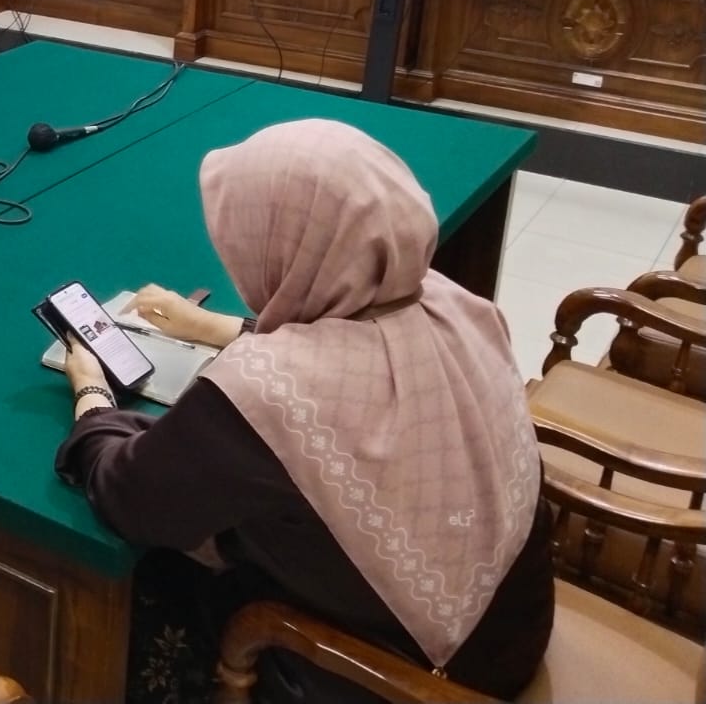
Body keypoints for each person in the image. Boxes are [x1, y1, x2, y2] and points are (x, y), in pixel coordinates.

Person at [55, 120, 552, 703]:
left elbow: (128, 496)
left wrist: (92, 396)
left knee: (144, 584)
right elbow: (355, 341)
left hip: (407, 681)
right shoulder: (456, 303)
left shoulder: (268, 394)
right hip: (514, 627)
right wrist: (218, 328)